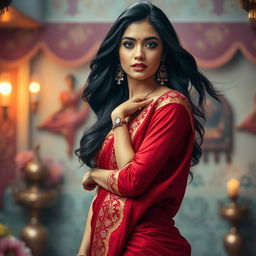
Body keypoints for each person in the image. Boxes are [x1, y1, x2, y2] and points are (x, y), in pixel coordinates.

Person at [76, 2, 219, 256]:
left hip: (146, 245)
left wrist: (93, 174)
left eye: (150, 44)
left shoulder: (170, 106)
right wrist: (83, 252)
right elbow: (104, 196)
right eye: (129, 44)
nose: (139, 54)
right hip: (107, 245)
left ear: (163, 53)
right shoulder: (119, 110)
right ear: (117, 51)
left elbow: (132, 182)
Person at [38, 74, 89, 156]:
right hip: (66, 114)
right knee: (52, 120)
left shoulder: (77, 92)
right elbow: (62, 107)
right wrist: (54, 114)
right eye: (68, 81)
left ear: (73, 82)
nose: (70, 83)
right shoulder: (63, 94)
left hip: (74, 114)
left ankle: (70, 146)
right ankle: (61, 131)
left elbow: (86, 89)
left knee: (70, 123)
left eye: (71, 81)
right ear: (66, 82)